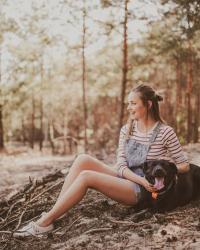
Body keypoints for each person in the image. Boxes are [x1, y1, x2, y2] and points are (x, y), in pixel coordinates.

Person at [14, 83, 190, 237]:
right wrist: (139, 179)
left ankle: (44, 224)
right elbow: (120, 165)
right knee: (82, 159)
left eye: (133, 103)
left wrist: (166, 172)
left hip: (143, 189)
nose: (129, 107)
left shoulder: (165, 132)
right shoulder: (127, 129)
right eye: (128, 103)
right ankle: (54, 213)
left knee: (86, 177)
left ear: (148, 104)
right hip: (131, 177)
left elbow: (184, 165)